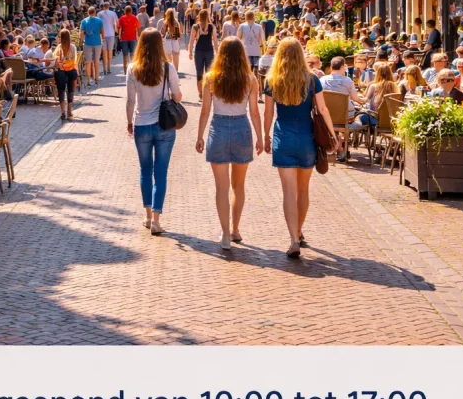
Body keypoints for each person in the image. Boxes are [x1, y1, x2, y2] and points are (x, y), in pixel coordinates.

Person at [263, 38, 337, 258]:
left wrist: (264, 136)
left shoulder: (272, 80)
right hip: (306, 137)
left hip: (283, 137)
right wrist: (333, 135)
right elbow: (323, 109)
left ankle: (294, 239)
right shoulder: (312, 79)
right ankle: (298, 230)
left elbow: (268, 113)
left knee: (288, 191)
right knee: (303, 190)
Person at [196, 37, 262, 249]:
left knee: (221, 187)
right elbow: (254, 112)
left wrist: (200, 136)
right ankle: (235, 229)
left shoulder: (211, 78)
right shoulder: (250, 79)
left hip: (219, 128)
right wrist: (261, 136)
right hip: (242, 128)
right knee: (239, 186)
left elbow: (205, 110)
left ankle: (225, 234)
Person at [126, 28, 182, 237]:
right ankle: (157, 219)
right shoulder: (168, 68)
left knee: (144, 170)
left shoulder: (133, 69)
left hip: (141, 123)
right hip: (164, 125)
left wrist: (129, 122)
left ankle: (147, 214)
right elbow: (177, 96)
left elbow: (130, 100)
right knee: (161, 172)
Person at [189, 8, 218, 101]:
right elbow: (215, 41)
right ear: (208, 16)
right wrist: (218, 52)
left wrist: (190, 52)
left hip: (199, 52)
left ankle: (201, 94)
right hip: (209, 51)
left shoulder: (195, 27)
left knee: (199, 73)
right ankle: (209, 93)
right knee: (209, 73)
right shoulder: (211, 27)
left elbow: (191, 41)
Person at [52, 29, 78, 120]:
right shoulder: (73, 47)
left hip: (61, 71)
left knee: (61, 90)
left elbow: (55, 60)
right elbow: (75, 61)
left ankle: (62, 111)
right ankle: (69, 111)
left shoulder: (58, 48)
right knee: (71, 91)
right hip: (71, 70)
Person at [79, 6, 104, 87]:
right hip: (97, 43)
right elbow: (102, 32)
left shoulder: (83, 21)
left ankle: (89, 80)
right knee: (96, 62)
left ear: (88, 12)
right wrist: (102, 40)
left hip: (87, 44)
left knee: (88, 63)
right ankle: (97, 79)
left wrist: (82, 41)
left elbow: (81, 34)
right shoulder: (99, 21)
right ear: (95, 12)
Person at [237, 8, 265, 74]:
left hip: (246, 50)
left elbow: (238, 37)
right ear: (253, 17)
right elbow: (263, 39)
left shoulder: (242, 26)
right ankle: (255, 80)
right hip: (256, 49)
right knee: (256, 67)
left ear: (246, 17)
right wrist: (260, 45)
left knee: (247, 68)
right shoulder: (259, 27)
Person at [117, 5, 141, 73]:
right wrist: (138, 37)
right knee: (132, 54)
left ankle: (125, 70)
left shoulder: (121, 18)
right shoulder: (134, 18)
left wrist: (119, 37)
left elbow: (119, 28)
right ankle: (132, 70)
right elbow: (138, 27)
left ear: (125, 11)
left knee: (125, 55)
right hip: (132, 37)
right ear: (131, 10)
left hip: (124, 38)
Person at [98, 1, 119, 76]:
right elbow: (116, 23)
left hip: (103, 35)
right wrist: (116, 31)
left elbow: (99, 24)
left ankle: (104, 69)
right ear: (109, 6)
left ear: (103, 6)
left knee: (104, 52)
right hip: (111, 34)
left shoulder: (99, 14)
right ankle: (109, 67)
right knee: (110, 51)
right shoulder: (113, 13)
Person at [161, 8, 182, 73]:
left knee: (168, 56)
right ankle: (176, 71)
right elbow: (179, 34)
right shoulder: (176, 22)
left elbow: (162, 33)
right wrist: (179, 42)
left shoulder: (165, 22)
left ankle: (169, 71)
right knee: (176, 55)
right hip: (175, 40)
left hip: (167, 40)